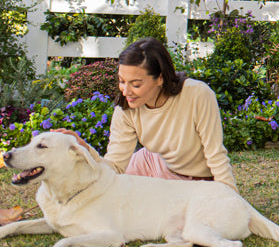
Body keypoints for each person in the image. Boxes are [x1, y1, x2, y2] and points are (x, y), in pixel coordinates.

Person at [61, 38, 237, 190]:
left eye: (136, 84)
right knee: (109, 197)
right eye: (122, 81)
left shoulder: (197, 94)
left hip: (197, 181)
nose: (126, 91)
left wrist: (230, 198)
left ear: (160, 78)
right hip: (152, 164)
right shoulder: (125, 110)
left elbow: (215, 155)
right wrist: (86, 149)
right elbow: (114, 167)